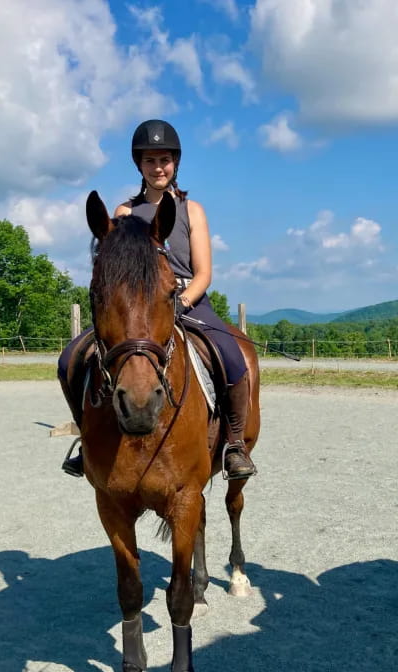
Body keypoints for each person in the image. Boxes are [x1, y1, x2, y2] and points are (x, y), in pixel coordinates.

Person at [58, 119, 256, 480]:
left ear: (175, 163)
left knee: (234, 360)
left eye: (164, 159)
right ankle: (88, 437)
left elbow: (204, 274)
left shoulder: (191, 210)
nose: (158, 167)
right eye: (150, 161)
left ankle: (234, 444)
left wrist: (178, 304)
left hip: (187, 299)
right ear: (140, 166)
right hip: (134, 306)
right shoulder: (123, 213)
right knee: (70, 358)